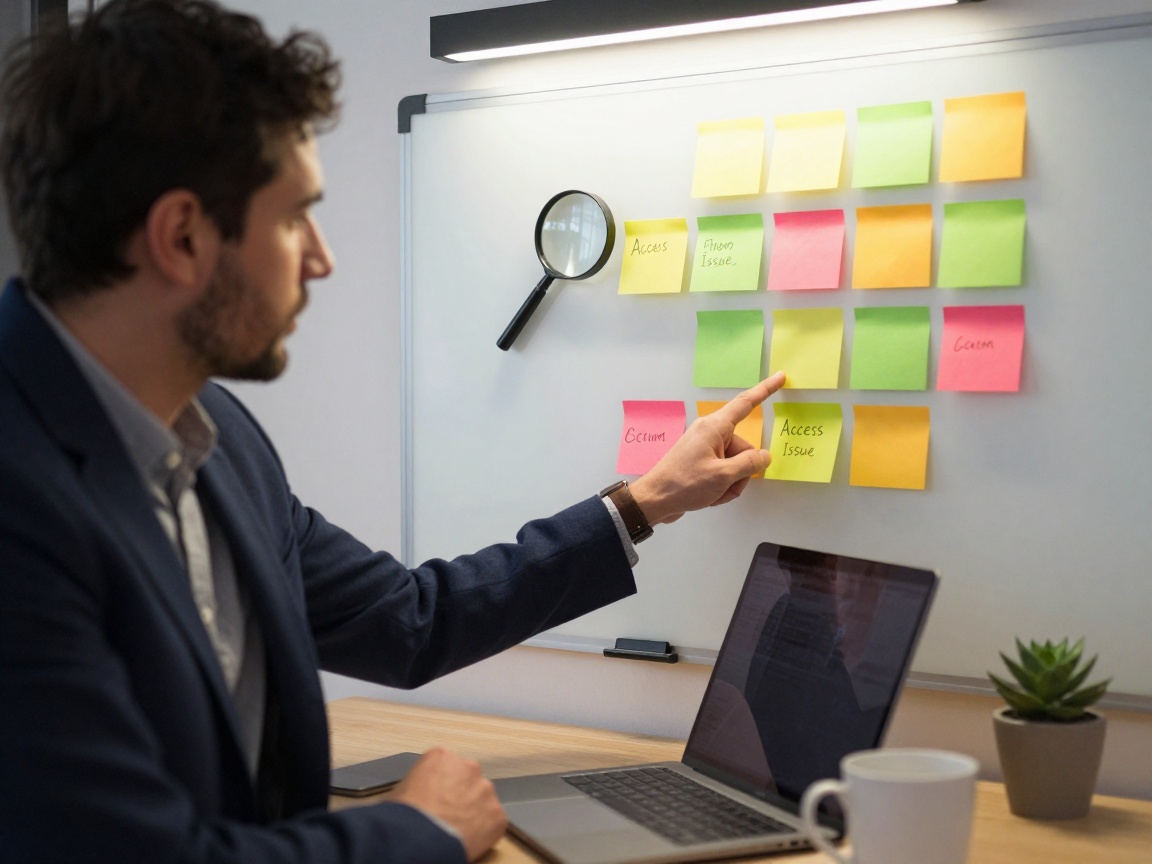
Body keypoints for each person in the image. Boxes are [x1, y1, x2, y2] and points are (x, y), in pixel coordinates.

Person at [0, 1, 786, 862]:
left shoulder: (215, 438)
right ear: (183, 237)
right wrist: (418, 830)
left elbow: (406, 620)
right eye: (296, 216)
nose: (321, 258)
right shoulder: (22, 502)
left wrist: (641, 504)